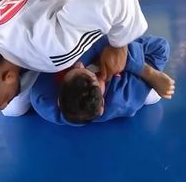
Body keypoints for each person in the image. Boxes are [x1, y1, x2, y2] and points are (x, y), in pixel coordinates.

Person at [0, 0, 147, 113]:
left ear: (9, 76)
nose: (2, 105)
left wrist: (119, 44)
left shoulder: (55, 45)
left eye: (1, 102)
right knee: (13, 110)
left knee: (150, 96)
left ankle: (142, 79)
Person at [28, 35, 175, 125]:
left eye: (73, 70)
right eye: (94, 76)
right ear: (102, 106)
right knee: (152, 97)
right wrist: (145, 71)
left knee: (14, 110)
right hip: (134, 94)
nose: (79, 64)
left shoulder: (43, 100)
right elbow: (160, 47)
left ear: (58, 100)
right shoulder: (127, 95)